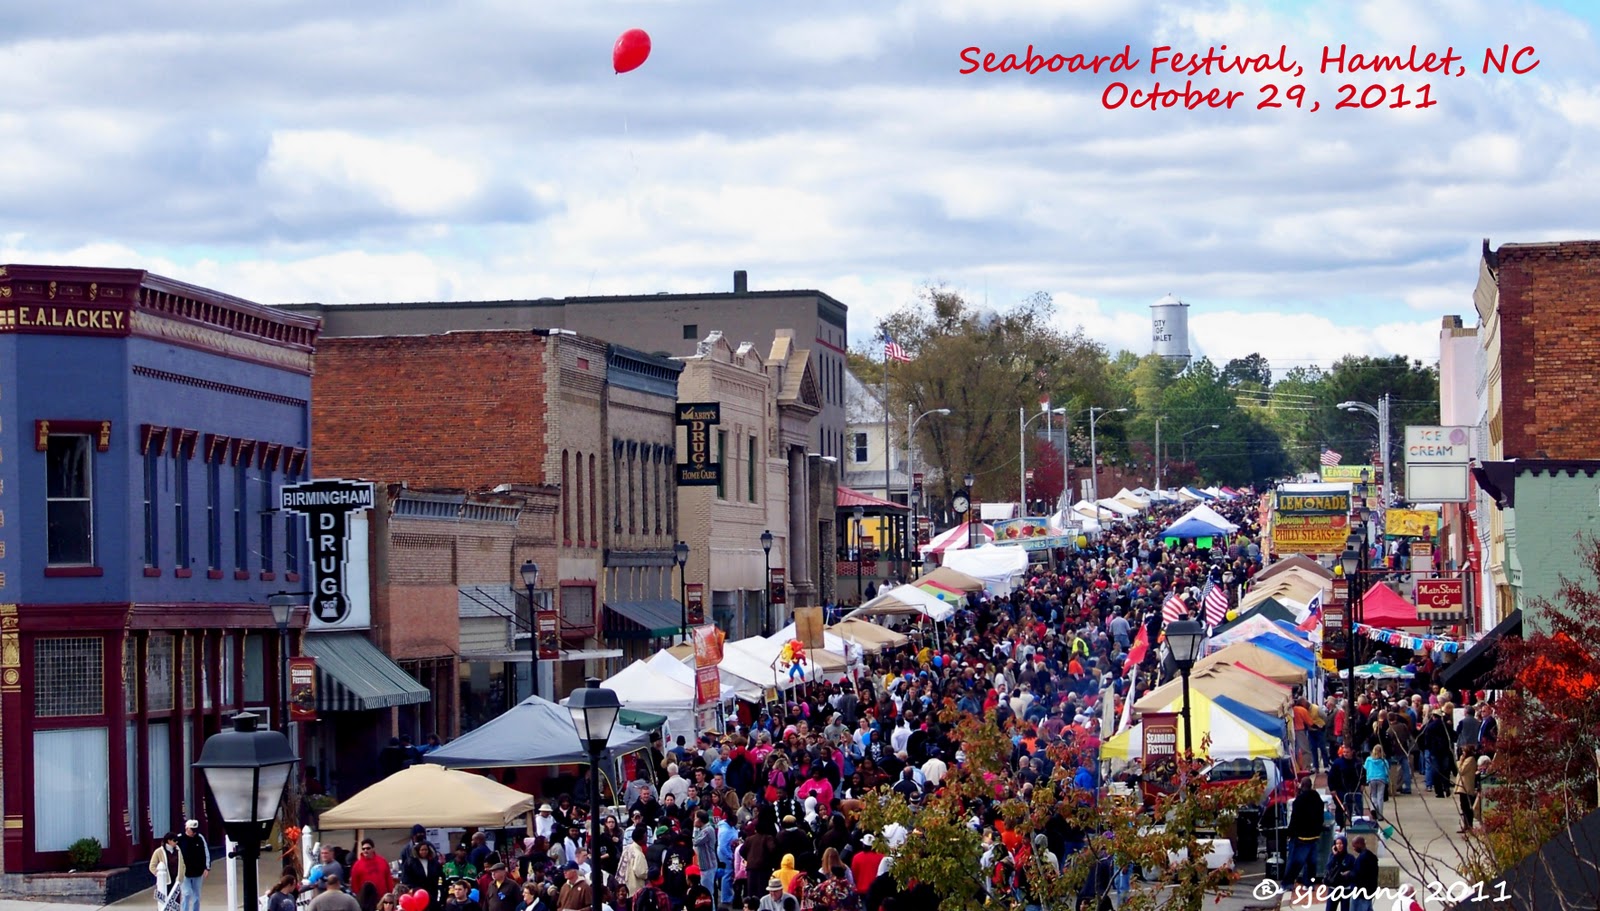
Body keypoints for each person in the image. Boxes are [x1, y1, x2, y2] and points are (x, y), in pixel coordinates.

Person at [1282, 777, 1323, 889]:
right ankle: (1309, 884)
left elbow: (1295, 819)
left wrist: (1289, 833)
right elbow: (1320, 817)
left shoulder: (1299, 801)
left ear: (1302, 785)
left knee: (1295, 863)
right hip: (1314, 836)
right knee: (1311, 863)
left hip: (1301, 837)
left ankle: (1287, 884)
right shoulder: (1317, 798)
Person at [175, 819, 211, 911]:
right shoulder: (180, 838)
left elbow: (206, 852)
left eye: (195, 830)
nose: (194, 832)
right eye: (192, 830)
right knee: (186, 894)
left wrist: (207, 867)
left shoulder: (200, 838)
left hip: (198, 872)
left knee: (196, 896)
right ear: (186, 828)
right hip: (185, 872)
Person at [149, 832, 186, 911]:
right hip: (165, 881)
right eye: (174, 840)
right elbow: (152, 866)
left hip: (176, 881)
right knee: (164, 901)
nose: (176, 842)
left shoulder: (178, 850)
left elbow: (182, 864)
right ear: (168, 841)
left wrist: (181, 876)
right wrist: (159, 875)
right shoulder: (159, 851)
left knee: (176, 901)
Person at [402, 841, 445, 906]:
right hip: (417, 893)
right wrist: (414, 889)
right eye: (422, 850)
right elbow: (406, 879)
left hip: (432, 892)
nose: (424, 852)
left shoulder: (434, 862)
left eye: (426, 850)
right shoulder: (410, 863)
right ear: (417, 850)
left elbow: (440, 876)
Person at [1323, 835, 1354, 911]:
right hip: (1333, 888)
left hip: (1345, 888)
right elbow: (1328, 867)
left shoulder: (1350, 857)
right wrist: (1335, 856)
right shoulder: (1332, 856)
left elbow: (1354, 871)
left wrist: (1349, 872)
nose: (1339, 846)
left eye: (1341, 844)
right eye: (1337, 844)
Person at [1348, 836, 1379, 911]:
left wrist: (1349, 874)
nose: (1354, 848)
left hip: (1360, 894)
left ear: (1359, 844)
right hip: (1369, 892)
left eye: (1354, 846)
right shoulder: (1371, 856)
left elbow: (1358, 875)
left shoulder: (1362, 858)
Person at [1456, 745, 1480, 833]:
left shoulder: (1470, 760)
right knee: (1463, 806)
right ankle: (1466, 825)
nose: (1462, 753)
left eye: (1464, 752)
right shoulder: (1467, 760)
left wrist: (1459, 761)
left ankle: (1469, 825)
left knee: (1467, 806)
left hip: (1466, 786)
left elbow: (1461, 771)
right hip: (1463, 786)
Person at [1363, 745, 1390, 821]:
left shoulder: (1368, 759)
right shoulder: (1383, 761)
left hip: (1371, 779)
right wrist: (1387, 779)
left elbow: (1365, 767)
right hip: (1381, 779)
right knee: (1380, 797)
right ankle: (1380, 815)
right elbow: (1387, 771)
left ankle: (1373, 808)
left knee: (1373, 795)